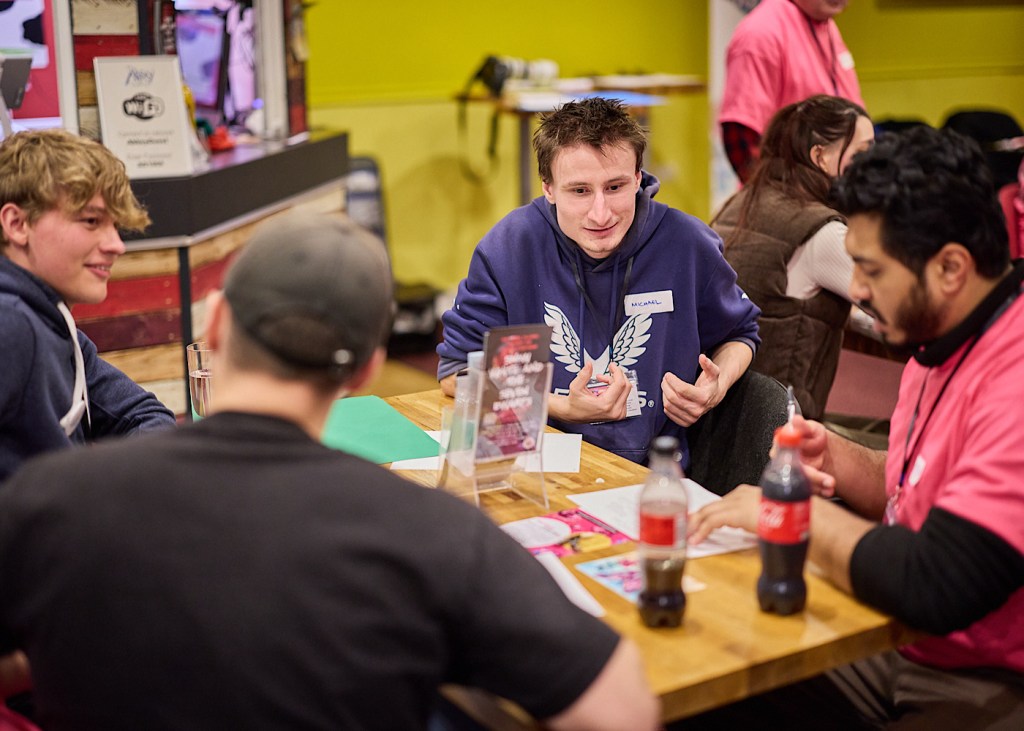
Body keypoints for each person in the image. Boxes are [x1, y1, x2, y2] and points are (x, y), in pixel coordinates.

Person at [0, 213, 660, 731]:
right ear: (369, 367)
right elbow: (623, 710)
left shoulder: (47, 499)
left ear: (219, 324)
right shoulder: (431, 534)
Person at [688, 126, 1024, 728]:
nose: (858, 290)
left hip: (984, 674)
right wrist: (844, 459)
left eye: (870, 269)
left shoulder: (1012, 379)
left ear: (951, 267)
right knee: (712, 682)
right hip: (894, 638)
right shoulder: (938, 335)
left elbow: (936, 583)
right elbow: (913, 498)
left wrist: (790, 518)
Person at [438, 97, 761, 465]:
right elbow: (456, 373)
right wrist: (563, 407)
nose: (600, 213)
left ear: (638, 177)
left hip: (653, 473)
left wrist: (715, 387)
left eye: (615, 187)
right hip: (536, 465)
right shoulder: (508, 247)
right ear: (548, 188)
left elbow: (741, 333)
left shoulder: (688, 245)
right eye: (579, 191)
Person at [0, 129, 175, 483]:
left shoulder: (51, 318)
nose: (116, 245)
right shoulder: (11, 324)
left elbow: (143, 414)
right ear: (17, 224)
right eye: (91, 221)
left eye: (114, 225)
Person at [711, 95, 874, 420]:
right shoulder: (821, 231)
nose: (872, 167)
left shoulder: (740, 202)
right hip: (778, 433)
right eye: (862, 154)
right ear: (820, 157)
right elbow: (902, 308)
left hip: (721, 417)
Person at [719, 0, 864, 183]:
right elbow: (740, 136)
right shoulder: (761, 32)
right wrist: (780, 201)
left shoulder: (825, 24)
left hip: (832, 196)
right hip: (791, 200)